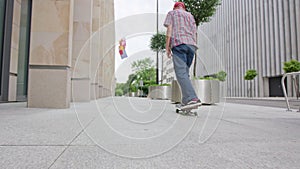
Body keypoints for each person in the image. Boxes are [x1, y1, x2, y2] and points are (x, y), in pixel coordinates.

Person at [164, 2, 201, 109]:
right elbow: (194, 32)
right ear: (184, 8)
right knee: (185, 74)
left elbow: (169, 29)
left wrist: (167, 47)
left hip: (179, 45)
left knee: (181, 73)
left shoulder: (172, 13)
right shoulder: (190, 16)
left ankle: (192, 98)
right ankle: (185, 101)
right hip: (192, 46)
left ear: (175, 7)